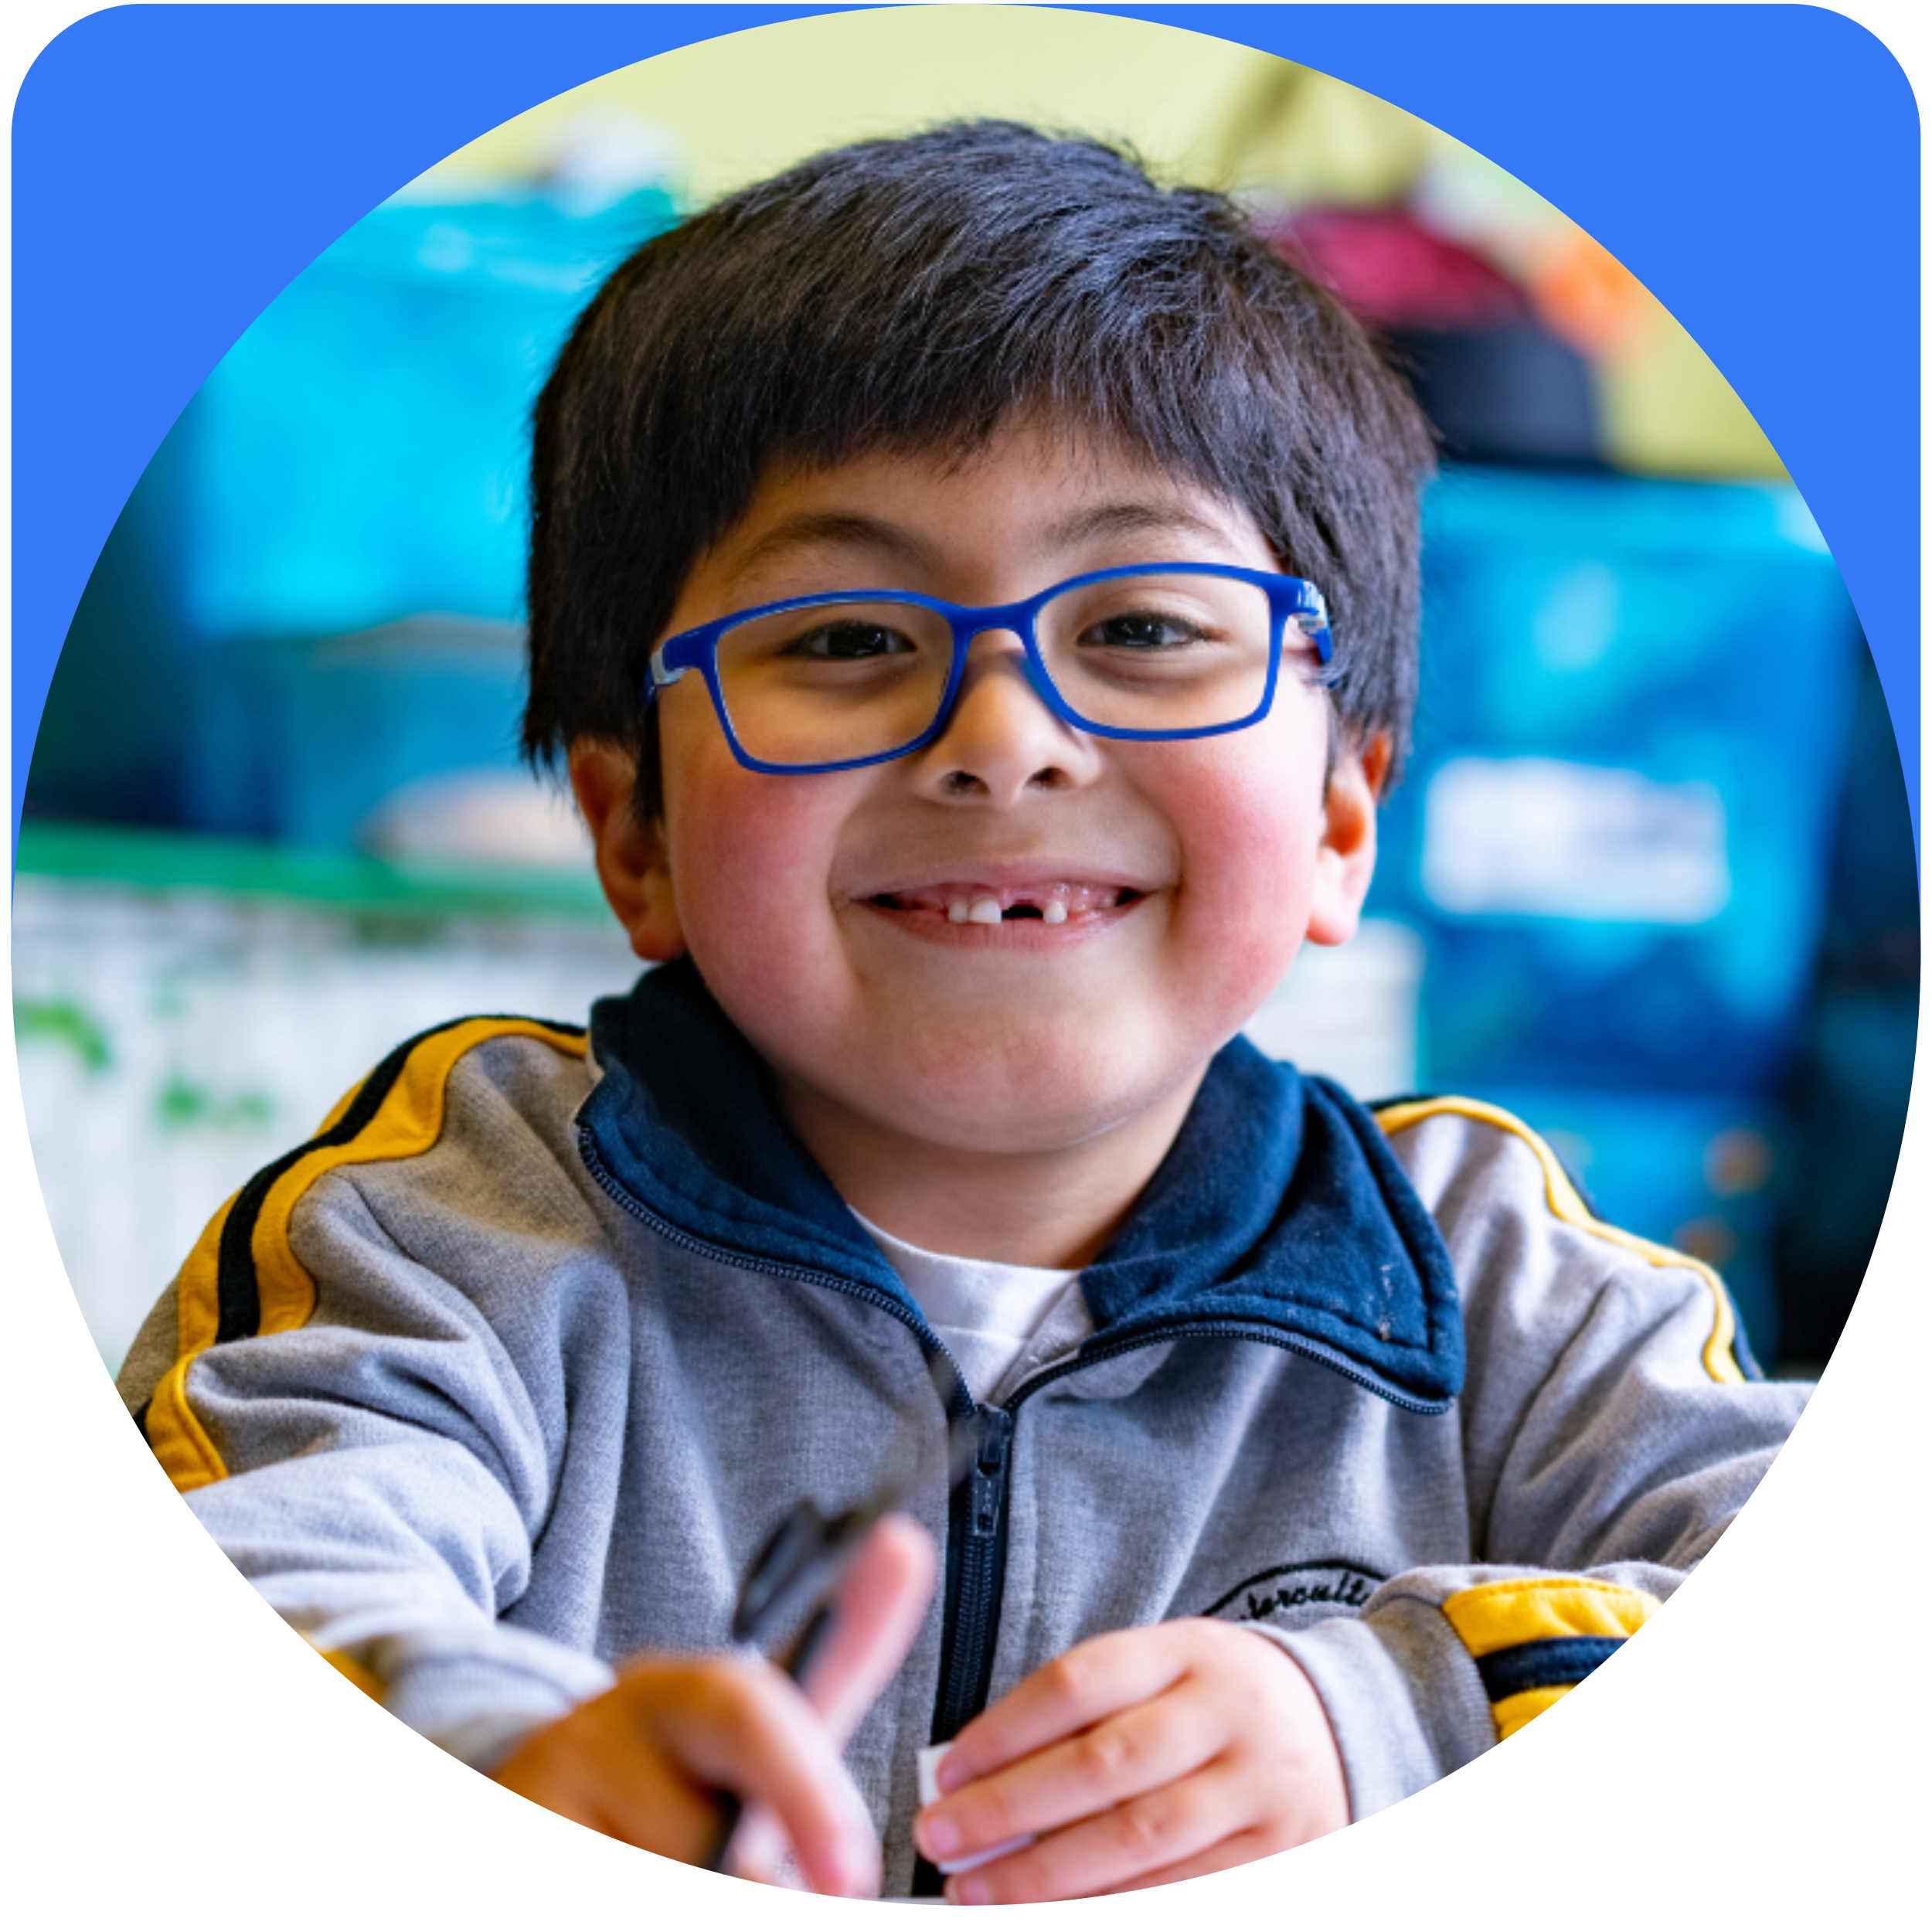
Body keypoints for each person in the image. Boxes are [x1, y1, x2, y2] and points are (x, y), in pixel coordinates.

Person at [115, 122, 1807, 1902]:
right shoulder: (440, 1232)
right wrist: (512, 1751)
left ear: (1335, 815)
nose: (1001, 739)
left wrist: (1395, 1710)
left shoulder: (1493, 1277)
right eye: (845, 639)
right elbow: (285, 1554)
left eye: (1143, 627)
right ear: (635, 831)